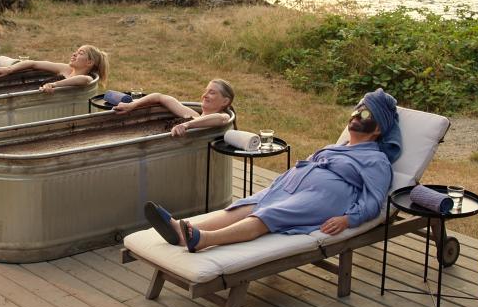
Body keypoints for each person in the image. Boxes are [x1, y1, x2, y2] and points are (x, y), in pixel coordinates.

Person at [144, 88, 402, 252]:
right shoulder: (335, 147)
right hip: (292, 186)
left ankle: (203, 240)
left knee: (270, 214)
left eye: (366, 115)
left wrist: (349, 219)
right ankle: (180, 230)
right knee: (246, 205)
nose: (356, 117)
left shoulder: (376, 160)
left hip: (325, 199)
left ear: (378, 129)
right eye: (357, 111)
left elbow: (374, 200)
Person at [113, 79, 235, 138]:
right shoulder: (191, 115)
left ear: (225, 101)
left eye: (212, 93)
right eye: (205, 91)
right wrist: (132, 105)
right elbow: (160, 97)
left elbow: (221, 119)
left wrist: (187, 125)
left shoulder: (223, 117)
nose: (205, 95)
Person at [0, 45, 109, 92]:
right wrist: (9, 70)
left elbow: (83, 80)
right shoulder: (66, 69)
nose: (74, 54)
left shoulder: (87, 78)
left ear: (89, 62)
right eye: (75, 51)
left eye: (80, 53)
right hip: (34, 92)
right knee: (1, 60)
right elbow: (34, 63)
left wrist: (54, 85)